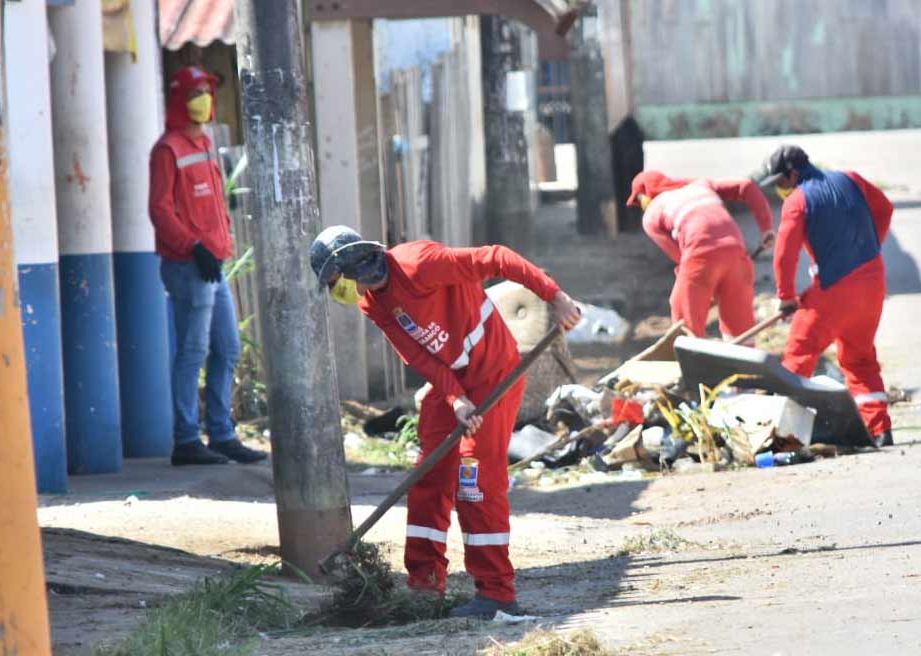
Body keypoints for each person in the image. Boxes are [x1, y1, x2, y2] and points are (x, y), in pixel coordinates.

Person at [309, 227, 581, 619]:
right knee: (429, 475)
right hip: (451, 381)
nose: (338, 293)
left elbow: (497, 255)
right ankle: (424, 583)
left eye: (335, 282)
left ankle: (497, 594)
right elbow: (418, 356)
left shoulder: (420, 264)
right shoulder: (373, 303)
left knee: (474, 482)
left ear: (352, 267)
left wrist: (553, 295)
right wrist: (455, 398)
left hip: (492, 371)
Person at [148, 66, 266, 466]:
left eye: (207, 91)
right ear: (180, 99)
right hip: (188, 265)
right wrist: (192, 245)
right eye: (195, 92)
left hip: (213, 264)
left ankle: (221, 433)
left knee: (227, 348)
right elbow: (160, 210)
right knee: (193, 350)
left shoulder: (206, 143)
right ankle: (185, 439)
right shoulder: (168, 149)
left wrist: (215, 243)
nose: (203, 99)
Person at [760, 145, 894, 447]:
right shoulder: (851, 179)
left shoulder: (797, 201)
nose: (779, 189)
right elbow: (885, 208)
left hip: (834, 288)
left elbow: (785, 255)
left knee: (798, 356)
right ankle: (880, 429)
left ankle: (782, 436)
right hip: (873, 283)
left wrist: (786, 297)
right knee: (860, 359)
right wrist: (869, 249)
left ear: (793, 174)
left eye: (780, 182)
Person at [626, 170, 775, 340]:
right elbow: (746, 186)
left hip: (700, 258)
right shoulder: (702, 185)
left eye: (640, 201)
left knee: (682, 317)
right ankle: (743, 362)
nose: (643, 207)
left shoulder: (652, 214)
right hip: (738, 255)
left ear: (646, 193)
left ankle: (691, 357)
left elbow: (681, 258)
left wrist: (700, 288)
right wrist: (766, 228)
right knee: (740, 331)